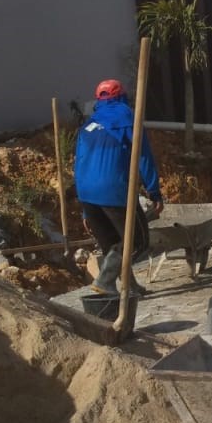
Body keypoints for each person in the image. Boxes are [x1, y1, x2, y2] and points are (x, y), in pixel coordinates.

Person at [74, 79, 164, 296]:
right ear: (121, 96)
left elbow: (79, 163)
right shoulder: (128, 120)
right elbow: (143, 157)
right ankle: (105, 281)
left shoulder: (88, 126)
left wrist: (85, 210)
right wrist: (154, 192)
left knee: (113, 246)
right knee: (137, 242)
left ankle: (129, 287)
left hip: (87, 193)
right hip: (113, 191)